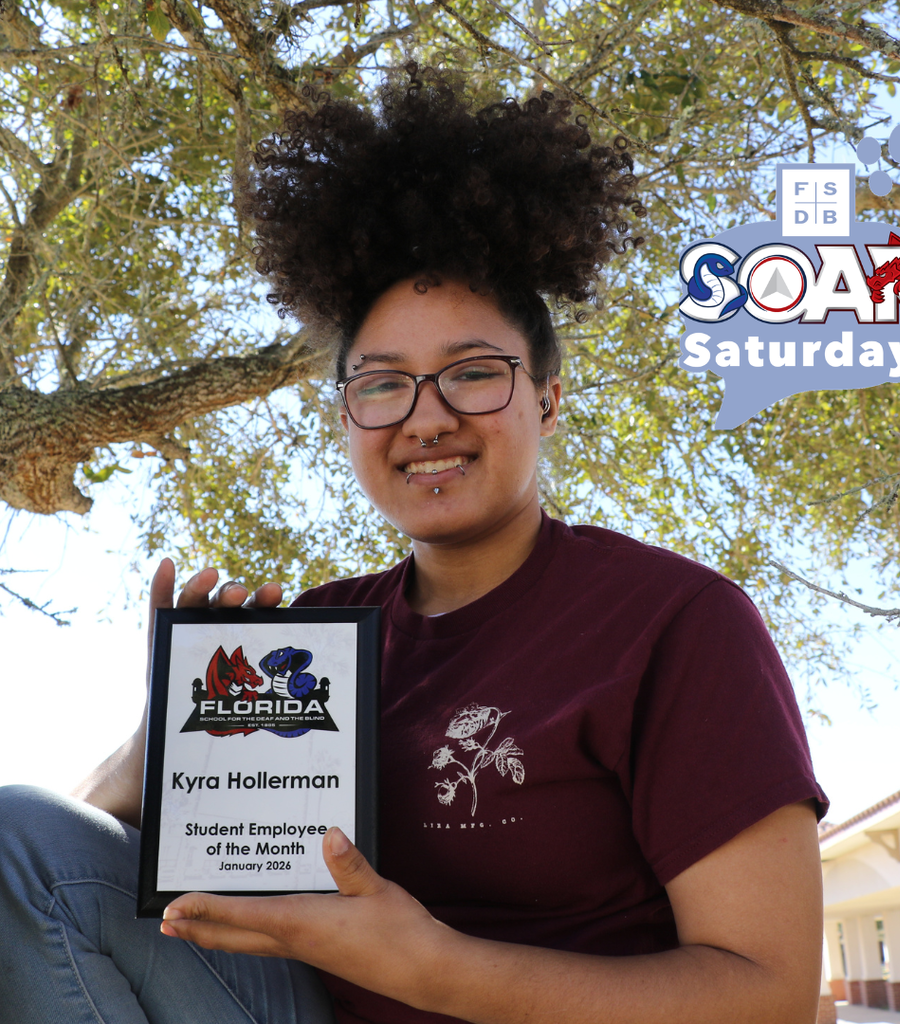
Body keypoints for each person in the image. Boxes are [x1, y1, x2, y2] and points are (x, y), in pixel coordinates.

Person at [0, 62, 828, 1024]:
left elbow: (767, 995)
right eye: (384, 384)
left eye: (473, 374)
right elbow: (44, 886)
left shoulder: (674, 623)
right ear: (348, 417)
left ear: (548, 400)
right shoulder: (308, 636)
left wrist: (431, 965)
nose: (425, 418)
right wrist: (168, 738)